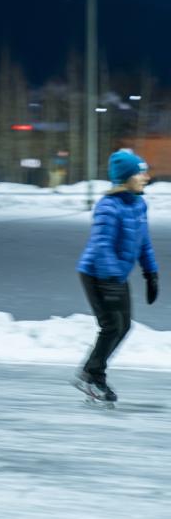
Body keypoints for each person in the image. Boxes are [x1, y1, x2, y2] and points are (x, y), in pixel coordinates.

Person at [75, 150, 158, 403]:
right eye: (139, 172)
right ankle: (91, 375)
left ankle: (92, 371)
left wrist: (150, 272)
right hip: (97, 274)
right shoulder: (108, 206)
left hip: (115, 276)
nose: (145, 177)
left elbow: (143, 242)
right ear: (126, 178)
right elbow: (102, 246)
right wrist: (111, 281)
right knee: (112, 326)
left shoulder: (138, 204)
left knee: (123, 326)